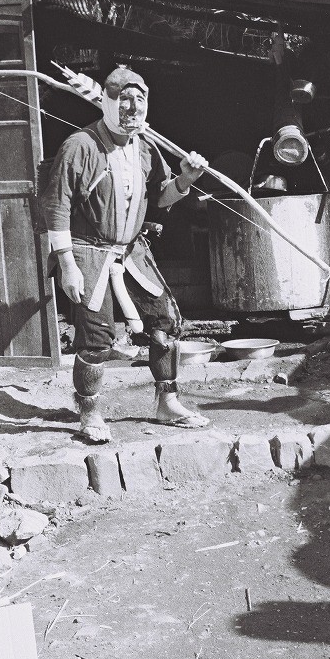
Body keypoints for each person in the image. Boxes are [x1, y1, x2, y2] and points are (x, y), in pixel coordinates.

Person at [40, 65, 211, 443]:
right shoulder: (80, 145)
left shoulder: (145, 146)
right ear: (106, 102)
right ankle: (89, 412)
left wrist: (185, 179)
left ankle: (167, 403)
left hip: (131, 250)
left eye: (140, 99)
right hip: (86, 250)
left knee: (166, 321)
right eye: (125, 99)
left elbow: (160, 196)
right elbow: (56, 206)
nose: (134, 108)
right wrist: (67, 264)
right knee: (97, 338)